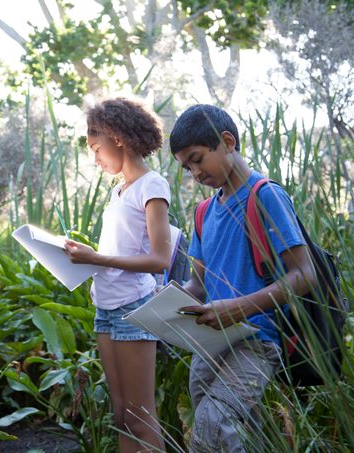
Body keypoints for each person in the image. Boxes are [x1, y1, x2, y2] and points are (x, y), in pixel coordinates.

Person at [168, 104, 318, 452]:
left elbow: (304, 274)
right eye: (187, 167)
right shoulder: (204, 212)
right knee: (234, 434)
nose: (195, 173)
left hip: (256, 340)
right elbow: (197, 286)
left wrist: (238, 308)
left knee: (214, 422)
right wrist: (162, 304)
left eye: (198, 159)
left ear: (227, 141)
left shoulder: (264, 195)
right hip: (209, 344)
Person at [65, 97, 171, 452]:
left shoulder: (151, 186)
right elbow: (118, 253)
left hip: (134, 307)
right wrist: (84, 257)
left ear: (117, 137)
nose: (95, 159)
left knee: (141, 416)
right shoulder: (119, 191)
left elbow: (159, 258)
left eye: (96, 148)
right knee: (122, 416)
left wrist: (99, 258)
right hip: (106, 308)